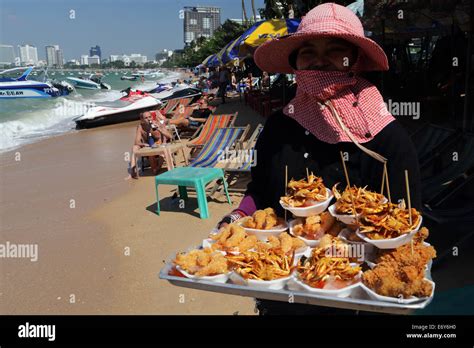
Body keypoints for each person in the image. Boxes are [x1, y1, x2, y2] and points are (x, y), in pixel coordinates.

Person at [215, 3, 422, 315]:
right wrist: (234, 218)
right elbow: (259, 191)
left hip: (359, 296)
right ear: (296, 62)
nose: (320, 62)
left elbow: (407, 222)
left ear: (354, 61)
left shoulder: (387, 137)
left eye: (335, 51)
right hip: (283, 287)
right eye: (308, 52)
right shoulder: (278, 126)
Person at [129, 111, 172, 179]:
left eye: (150, 117)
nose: (149, 119)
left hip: (160, 145)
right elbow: (136, 141)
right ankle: (132, 171)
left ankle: (158, 168)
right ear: (142, 120)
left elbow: (170, 136)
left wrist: (159, 129)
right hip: (148, 146)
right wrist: (144, 144)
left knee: (155, 169)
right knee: (135, 147)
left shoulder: (158, 123)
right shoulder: (141, 127)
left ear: (152, 117)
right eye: (146, 118)